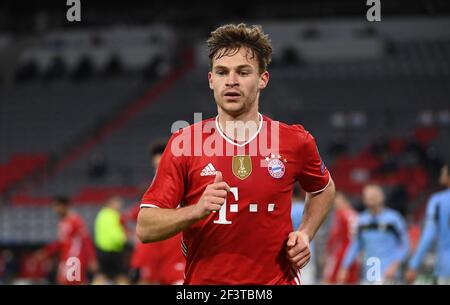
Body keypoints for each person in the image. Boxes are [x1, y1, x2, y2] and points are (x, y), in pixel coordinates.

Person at [137, 23, 335, 285]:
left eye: (243, 72)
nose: (231, 81)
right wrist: (196, 211)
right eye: (222, 72)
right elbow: (145, 227)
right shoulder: (185, 143)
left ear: (262, 79)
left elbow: (323, 188)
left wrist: (306, 233)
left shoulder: (295, 141)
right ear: (211, 80)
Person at [127, 141, 185, 285]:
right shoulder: (151, 203)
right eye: (156, 167)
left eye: (164, 166)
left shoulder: (193, 196)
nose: (159, 172)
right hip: (163, 271)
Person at [338, 184, 409, 284]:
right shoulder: (361, 220)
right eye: (367, 196)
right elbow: (355, 245)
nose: (371, 198)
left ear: (382, 197)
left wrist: (395, 265)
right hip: (369, 275)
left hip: (389, 276)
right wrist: (344, 266)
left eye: (374, 195)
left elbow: (405, 246)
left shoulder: (394, 219)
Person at [405, 161, 450, 284]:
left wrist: (414, 264)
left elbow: (429, 235)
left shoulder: (438, 201)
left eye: (443, 172)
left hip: (447, 266)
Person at [37, 196, 97, 285]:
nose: (55, 210)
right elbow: (60, 242)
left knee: (72, 282)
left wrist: (91, 258)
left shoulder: (76, 220)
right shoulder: (63, 222)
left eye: (57, 206)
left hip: (74, 259)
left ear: (64, 206)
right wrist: (46, 252)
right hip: (65, 259)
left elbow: (86, 240)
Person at [322, 192, 359, 284]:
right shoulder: (353, 214)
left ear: (344, 200)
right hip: (351, 255)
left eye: (337, 200)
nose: (335, 203)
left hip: (340, 254)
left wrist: (328, 252)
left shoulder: (343, 215)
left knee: (329, 280)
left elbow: (335, 236)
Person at [93, 196, 128, 284]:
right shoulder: (113, 215)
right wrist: (123, 239)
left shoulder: (101, 214)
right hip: (113, 250)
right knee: (121, 276)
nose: (119, 206)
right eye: (117, 203)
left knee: (101, 275)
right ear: (110, 204)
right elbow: (115, 233)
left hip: (101, 249)